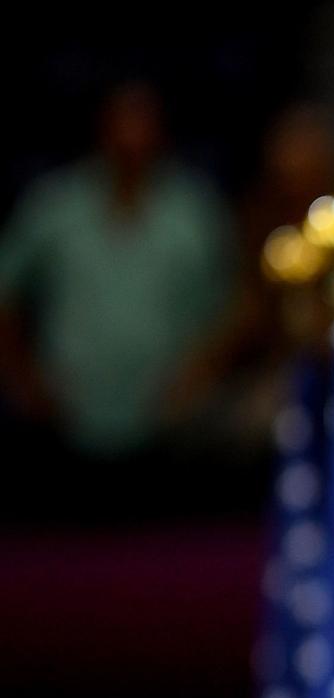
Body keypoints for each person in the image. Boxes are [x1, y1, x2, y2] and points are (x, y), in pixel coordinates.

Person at [0, 82, 233, 466]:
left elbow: (231, 306)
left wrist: (200, 372)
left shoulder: (195, 212)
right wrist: (23, 379)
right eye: (121, 120)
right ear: (101, 128)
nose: (131, 136)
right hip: (62, 421)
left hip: (174, 426)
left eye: (142, 121)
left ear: (161, 131)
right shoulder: (53, 205)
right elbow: (6, 290)